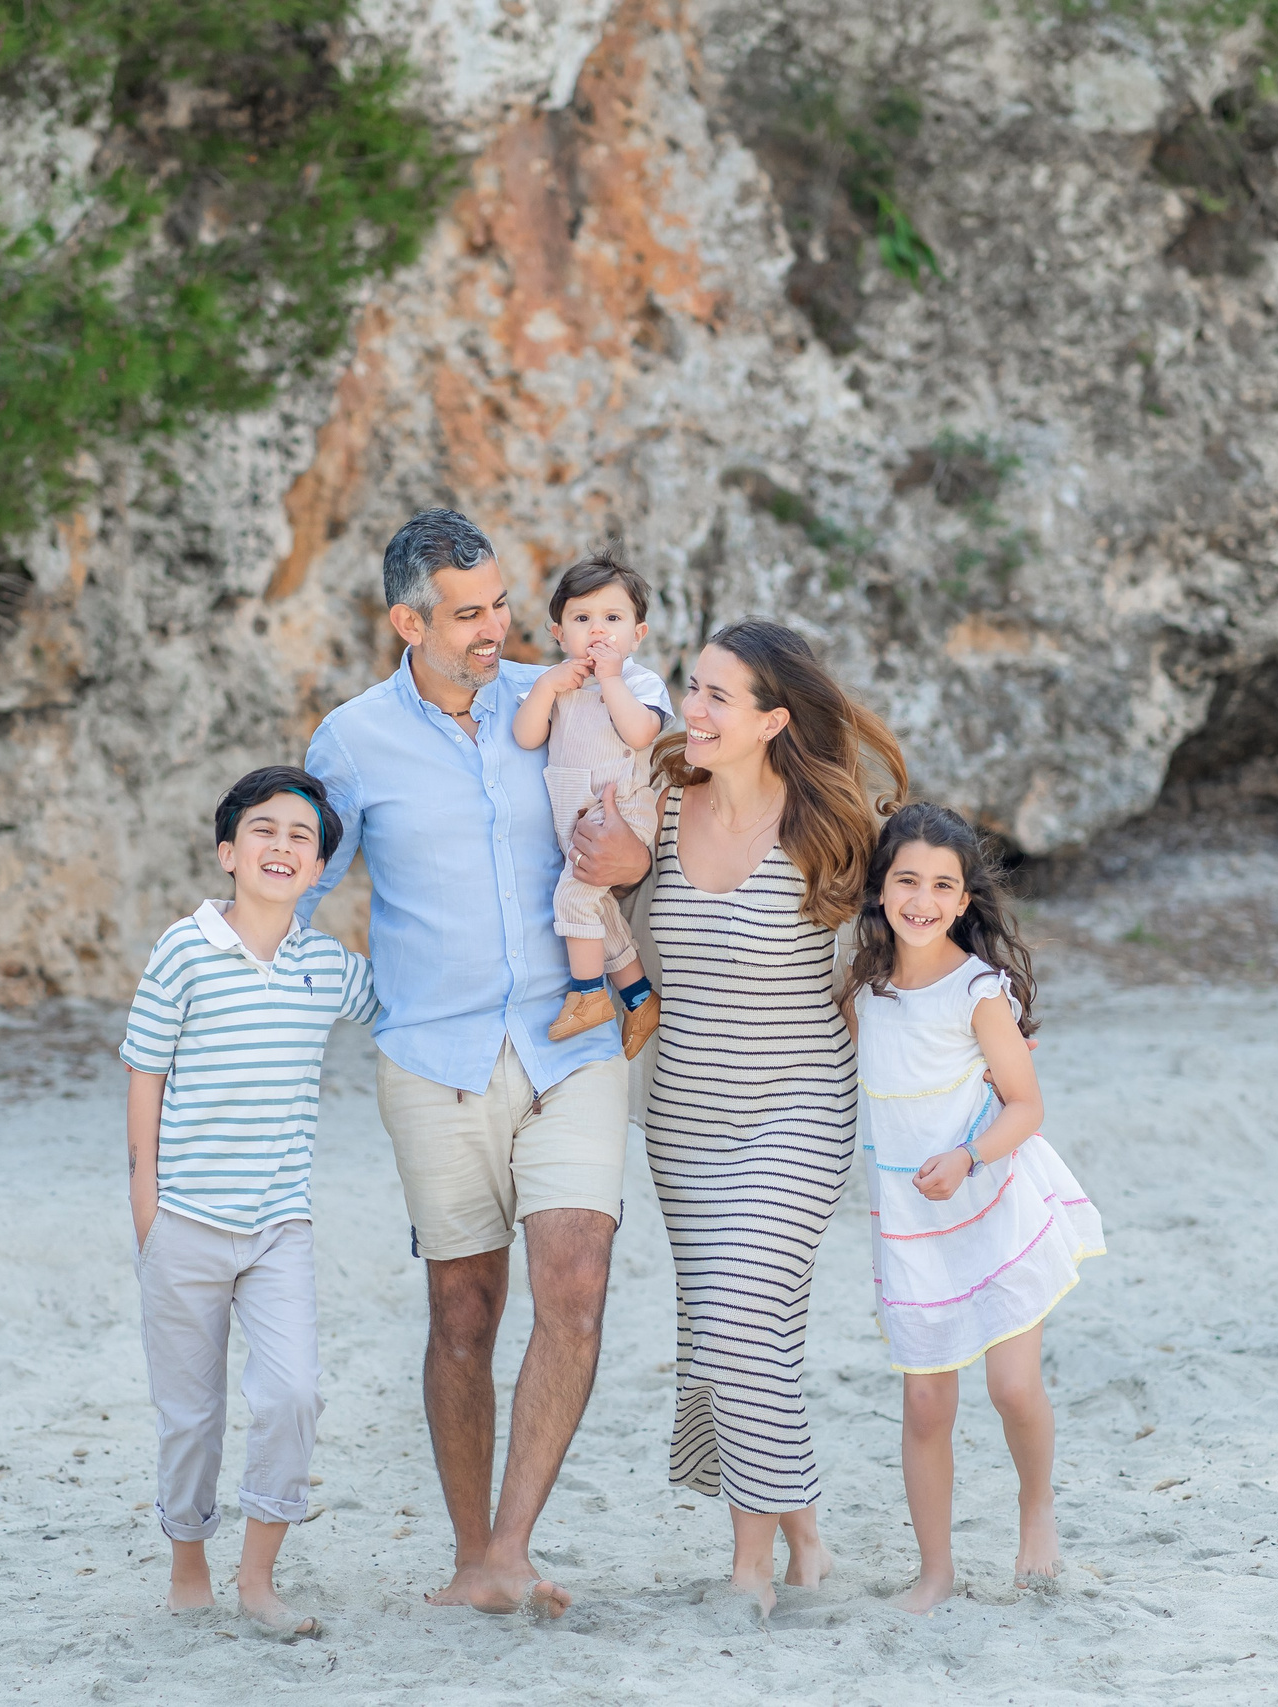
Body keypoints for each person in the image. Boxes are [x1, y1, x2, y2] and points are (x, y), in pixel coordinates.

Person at [299, 509, 668, 1616]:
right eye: (469, 614)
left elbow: (635, 821)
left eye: (503, 603)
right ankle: (473, 1556)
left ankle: (511, 1547)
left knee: (576, 1285)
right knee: (462, 1310)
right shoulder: (352, 740)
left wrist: (634, 853)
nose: (496, 628)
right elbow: (303, 886)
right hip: (435, 1058)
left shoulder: (556, 703)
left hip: (573, 1041)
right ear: (407, 620)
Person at [638, 618, 909, 1613]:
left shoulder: (832, 826)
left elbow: (910, 941)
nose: (690, 709)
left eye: (715, 696)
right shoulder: (662, 805)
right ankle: (805, 1542)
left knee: (738, 1325)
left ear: (773, 722)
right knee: (741, 1337)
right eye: (690, 688)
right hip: (684, 1122)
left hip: (796, 1111)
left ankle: (749, 1568)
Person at [119, 765, 382, 1637]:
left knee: (293, 1395)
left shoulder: (325, 967)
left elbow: (399, 1010)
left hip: (279, 1231)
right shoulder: (185, 948)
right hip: (185, 1224)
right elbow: (145, 1074)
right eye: (263, 830)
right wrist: (147, 1209)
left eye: (301, 838)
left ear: (318, 872)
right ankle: (188, 1563)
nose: (282, 845)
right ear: (229, 851)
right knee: (190, 1415)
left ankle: (258, 1577)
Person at [844, 800, 1106, 1613]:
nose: (922, 899)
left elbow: (1025, 1105)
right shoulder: (863, 986)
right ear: (881, 888)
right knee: (925, 1400)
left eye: (942, 886)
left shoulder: (978, 990)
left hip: (989, 1201)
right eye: (907, 879)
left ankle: (1036, 1508)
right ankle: (936, 1569)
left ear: (965, 901)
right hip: (910, 1219)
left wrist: (967, 1156)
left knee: (1012, 1387)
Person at [510, 552, 665, 1052]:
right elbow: (527, 736)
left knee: (572, 897)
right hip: (572, 810)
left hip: (619, 811)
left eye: (613, 619)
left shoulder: (639, 684)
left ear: (637, 635)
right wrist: (545, 687)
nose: (597, 632)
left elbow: (641, 733)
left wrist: (613, 680)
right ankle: (640, 998)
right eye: (582, 619)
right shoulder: (560, 685)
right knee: (596, 910)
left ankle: (588, 993)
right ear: (558, 634)